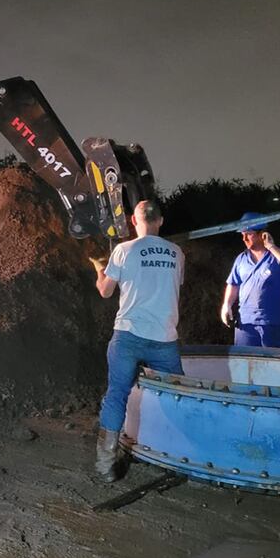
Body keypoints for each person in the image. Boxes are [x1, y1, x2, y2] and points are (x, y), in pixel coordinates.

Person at [90, 200, 185, 483]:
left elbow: (106, 292)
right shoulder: (177, 253)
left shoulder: (122, 250)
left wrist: (99, 271)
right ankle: (178, 456)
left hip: (128, 336)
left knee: (117, 394)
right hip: (164, 339)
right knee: (177, 396)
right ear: (161, 221)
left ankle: (105, 465)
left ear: (133, 220)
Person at [220, 212, 280, 348]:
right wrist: (226, 305)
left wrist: (271, 246)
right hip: (246, 325)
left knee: (276, 367)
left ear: (262, 234)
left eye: (248, 233)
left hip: (274, 324)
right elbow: (233, 283)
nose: (244, 238)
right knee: (245, 366)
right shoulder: (241, 259)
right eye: (242, 234)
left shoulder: (277, 255)